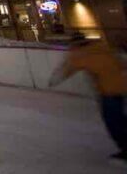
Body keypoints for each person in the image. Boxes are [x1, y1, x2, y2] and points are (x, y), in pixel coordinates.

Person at [50, 33, 127, 161]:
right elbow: (122, 61)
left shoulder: (80, 55)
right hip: (121, 87)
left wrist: (53, 81)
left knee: (113, 122)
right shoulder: (102, 47)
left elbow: (66, 70)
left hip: (108, 92)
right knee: (120, 118)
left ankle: (125, 148)